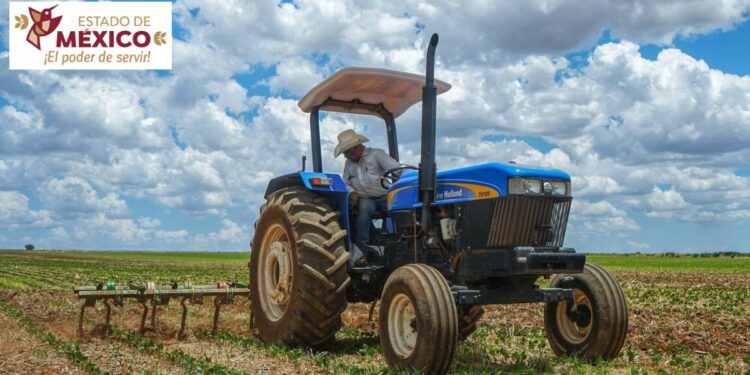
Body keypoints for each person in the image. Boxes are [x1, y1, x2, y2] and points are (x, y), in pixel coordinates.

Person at [334, 129, 401, 265]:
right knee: (364, 211)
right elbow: (345, 182)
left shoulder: (376, 155)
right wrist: (352, 192)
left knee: (399, 211)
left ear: (357, 147)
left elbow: (397, 169)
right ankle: (361, 253)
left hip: (383, 195)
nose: (346, 156)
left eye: (348, 152)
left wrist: (406, 182)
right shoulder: (349, 164)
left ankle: (400, 243)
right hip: (364, 198)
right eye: (345, 153)